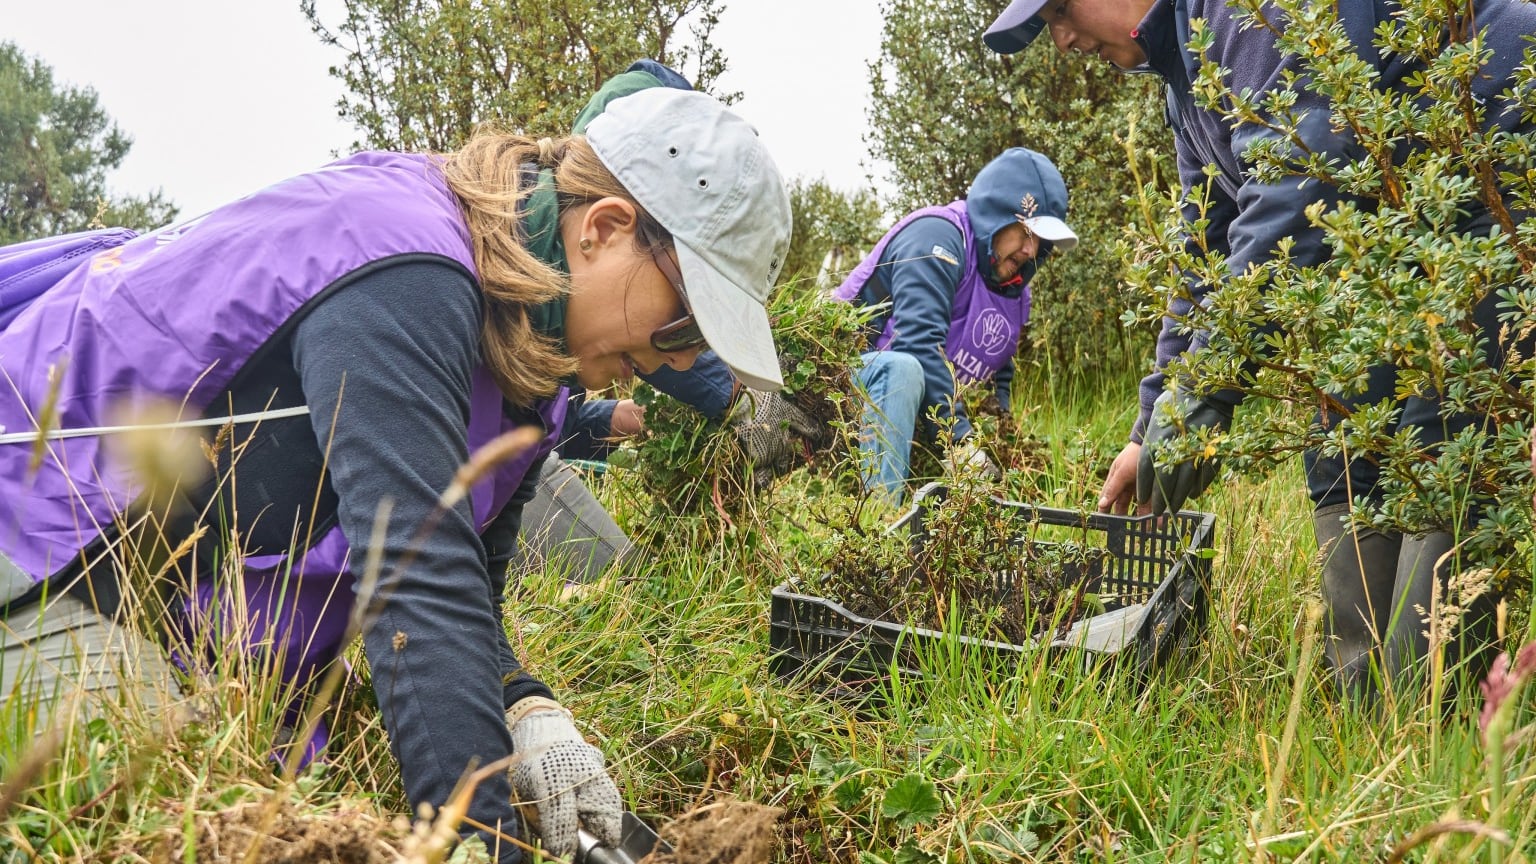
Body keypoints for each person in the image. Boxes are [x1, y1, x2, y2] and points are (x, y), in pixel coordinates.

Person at [0, 86, 791, 862]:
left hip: (198, 628)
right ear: (606, 228)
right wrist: (489, 851)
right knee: (171, 814)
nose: (683, 359)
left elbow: (467, 582)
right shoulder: (408, 272)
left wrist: (527, 706)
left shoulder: (534, 367)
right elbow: (418, 581)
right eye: (686, 318)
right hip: (41, 558)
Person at [984, 0, 1534, 697]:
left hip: (1484, 162)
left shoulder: (1240, 12)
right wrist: (1151, 425)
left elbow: (1301, 177)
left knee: (1441, 447)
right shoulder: (1187, 76)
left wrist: (1203, 396)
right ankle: (1369, 718)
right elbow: (1206, 256)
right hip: (1377, 232)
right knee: (1344, 438)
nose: (1060, 39)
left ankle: (1436, 734)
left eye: (1060, 9)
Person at [831, 147, 1078, 504]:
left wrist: (1003, 434)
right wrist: (961, 444)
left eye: (1040, 240)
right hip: (848, 381)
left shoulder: (1014, 289)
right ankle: (879, 521)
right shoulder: (939, 237)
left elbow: (999, 372)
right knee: (903, 369)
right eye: (1025, 232)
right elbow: (916, 344)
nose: (1029, 249)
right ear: (994, 216)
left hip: (918, 413)